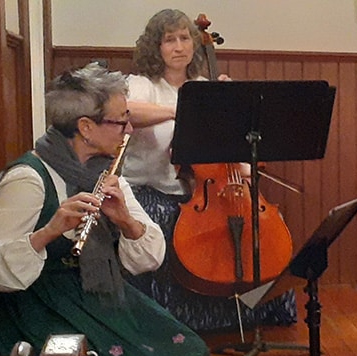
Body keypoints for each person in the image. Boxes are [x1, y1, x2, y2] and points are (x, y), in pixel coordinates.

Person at [0, 63, 227, 356]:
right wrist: (50, 230)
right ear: (86, 127)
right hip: (35, 305)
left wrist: (125, 220)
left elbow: (150, 257)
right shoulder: (28, 178)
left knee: (191, 351)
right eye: (120, 121)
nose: (129, 131)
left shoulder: (108, 174)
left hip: (95, 294)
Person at [124, 8, 296, 332]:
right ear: (155, 47)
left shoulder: (205, 84)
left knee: (260, 224)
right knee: (163, 224)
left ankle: (253, 314)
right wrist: (183, 108)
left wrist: (229, 106)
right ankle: (179, 323)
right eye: (169, 39)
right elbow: (128, 111)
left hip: (207, 189)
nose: (179, 46)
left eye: (185, 37)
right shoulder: (142, 84)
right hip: (152, 187)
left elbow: (228, 142)